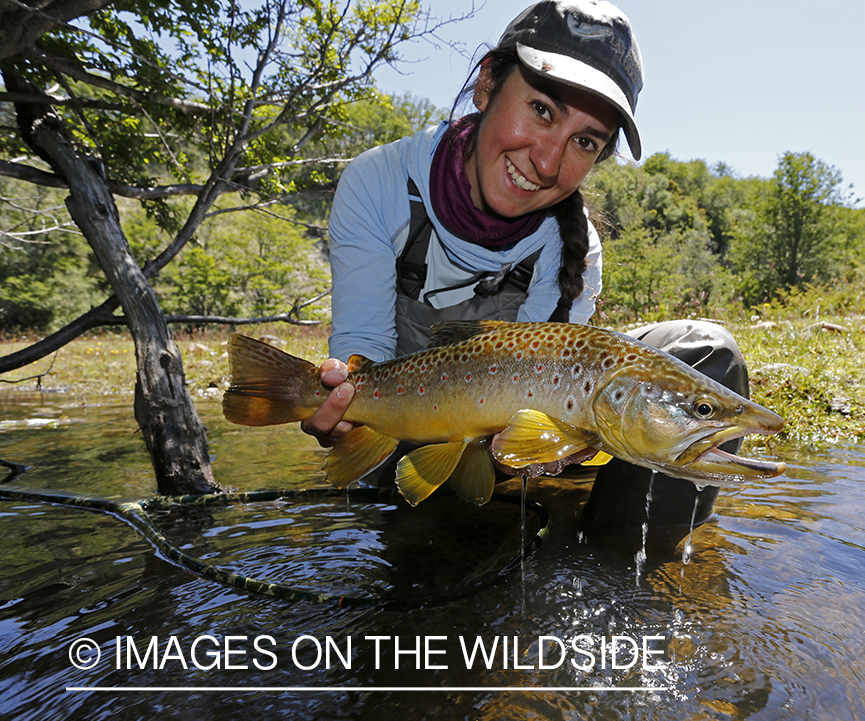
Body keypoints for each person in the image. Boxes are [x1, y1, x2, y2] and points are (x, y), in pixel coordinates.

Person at [301, 0, 750, 557]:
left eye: (584, 142)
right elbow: (362, 354)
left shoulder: (574, 244)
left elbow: (544, 378)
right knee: (430, 548)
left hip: (511, 446)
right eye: (541, 109)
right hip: (403, 430)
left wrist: (557, 445)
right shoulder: (381, 182)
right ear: (486, 83)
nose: (545, 161)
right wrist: (341, 411)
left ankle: (629, 579)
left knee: (709, 354)